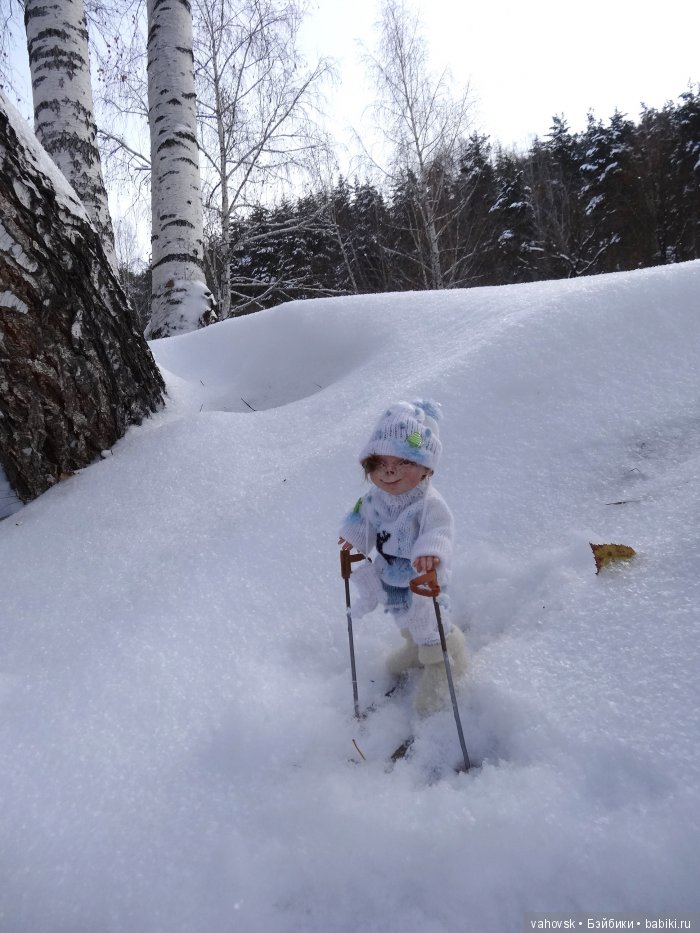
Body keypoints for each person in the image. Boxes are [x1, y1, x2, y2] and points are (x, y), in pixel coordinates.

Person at [338, 400, 468, 715]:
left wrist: (430, 555)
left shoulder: (428, 504)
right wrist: (353, 542)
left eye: (403, 462)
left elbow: (439, 531)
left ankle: (446, 657)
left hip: (422, 579)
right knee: (403, 616)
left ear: (427, 467)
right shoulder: (373, 499)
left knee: (429, 619)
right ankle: (415, 647)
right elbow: (362, 522)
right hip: (392, 574)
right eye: (379, 464)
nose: (390, 471)